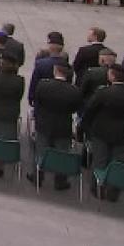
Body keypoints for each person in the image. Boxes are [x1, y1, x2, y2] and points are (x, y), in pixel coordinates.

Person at [81, 64, 124, 201]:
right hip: (123, 132)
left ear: (112, 76)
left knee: (100, 160)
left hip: (101, 131)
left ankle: (97, 189)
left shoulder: (103, 92)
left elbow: (91, 109)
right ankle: (114, 192)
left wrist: (86, 126)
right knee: (119, 162)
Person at [28, 61, 83, 190]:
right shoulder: (74, 91)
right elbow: (75, 108)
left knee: (41, 150)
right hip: (63, 126)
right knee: (61, 154)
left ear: (56, 71)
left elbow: (38, 102)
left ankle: (37, 176)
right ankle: (60, 180)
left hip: (44, 123)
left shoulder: (43, 85)